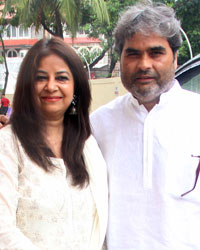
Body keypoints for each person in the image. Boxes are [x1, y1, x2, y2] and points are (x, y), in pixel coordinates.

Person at [90, 2, 200, 250]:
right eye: (133, 54)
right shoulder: (98, 125)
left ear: (175, 58)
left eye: (156, 52)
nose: (144, 64)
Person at [0, 37, 108, 250]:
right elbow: (3, 230)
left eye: (61, 78)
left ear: (75, 89)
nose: (51, 86)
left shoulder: (87, 146)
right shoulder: (9, 144)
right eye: (41, 78)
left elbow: (98, 226)